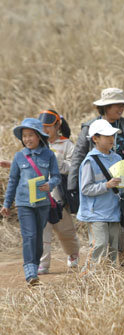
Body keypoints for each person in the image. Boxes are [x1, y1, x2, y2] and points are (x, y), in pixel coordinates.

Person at [68, 87, 124, 267]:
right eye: (117, 105)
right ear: (106, 107)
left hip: (122, 183)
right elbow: (78, 157)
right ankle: (100, 267)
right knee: (101, 233)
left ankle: (121, 252)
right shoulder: (90, 128)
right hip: (98, 185)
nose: (121, 108)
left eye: (123, 105)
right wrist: (72, 185)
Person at [0, 118, 61, 286]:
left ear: (39, 137)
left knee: (38, 237)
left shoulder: (49, 155)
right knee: (29, 235)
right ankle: (30, 271)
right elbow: (13, 181)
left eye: (30, 135)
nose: (27, 139)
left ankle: (34, 264)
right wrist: (6, 204)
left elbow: (56, 176)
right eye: (24, 136)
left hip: (42, 204)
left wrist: (50, 185)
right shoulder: (19, 157)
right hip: (23, 203)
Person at [37, 110, 79, 274]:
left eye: (48, 126)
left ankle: (73, 254)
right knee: (42, 231)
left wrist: (57, 164)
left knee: (65, 231)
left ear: (57, 126)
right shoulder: (37, 144)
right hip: (40, 195)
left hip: (59, 195)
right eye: (42, 127)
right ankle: (43, 264)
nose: (45, 129)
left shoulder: (67, 144)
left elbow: (74, 166)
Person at [77, 119, 122, 269]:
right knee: (100, 244)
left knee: (113, 247)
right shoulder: (89, 161)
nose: (111, 139)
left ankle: (109, 280)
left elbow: (121, 185)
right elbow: (85, 189)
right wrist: (106, 185)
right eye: (107, 136)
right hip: (95, 212)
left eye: (112, 135)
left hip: (114, 210)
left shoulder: (117, 158)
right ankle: (87, 278)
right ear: (95, 139)